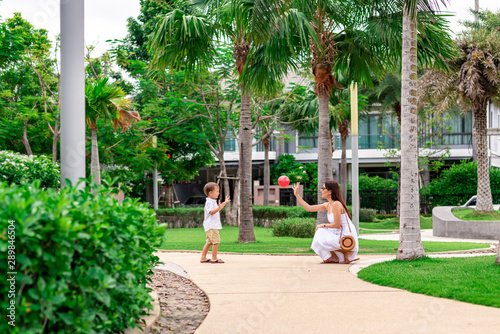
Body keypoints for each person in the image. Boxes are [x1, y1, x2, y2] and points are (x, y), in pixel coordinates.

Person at [292, 180, 359, 264]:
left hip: (346, 234)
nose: (321, 190)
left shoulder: (336, 204)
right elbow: (309, 208)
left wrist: (323, 225)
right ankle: (333, 257)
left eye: (323, 188)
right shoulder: (328, 205)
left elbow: (337, 225)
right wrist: (297, 195)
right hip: (337, 232)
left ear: (330, 191)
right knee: (320, 233)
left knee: (321, 231)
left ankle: (346, 252)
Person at [200, 182, 230, 264]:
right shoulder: (209, 202)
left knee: (209, 242)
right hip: (212, 226)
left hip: (210, 225)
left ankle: (203, 258)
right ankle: (214, 258)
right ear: (210, 193)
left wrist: (224, 203)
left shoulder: (212, 201)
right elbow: (211, 212)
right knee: (216, 242)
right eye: (217, 191)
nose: (218, 193)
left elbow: (217, 209)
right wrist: (219, 208)